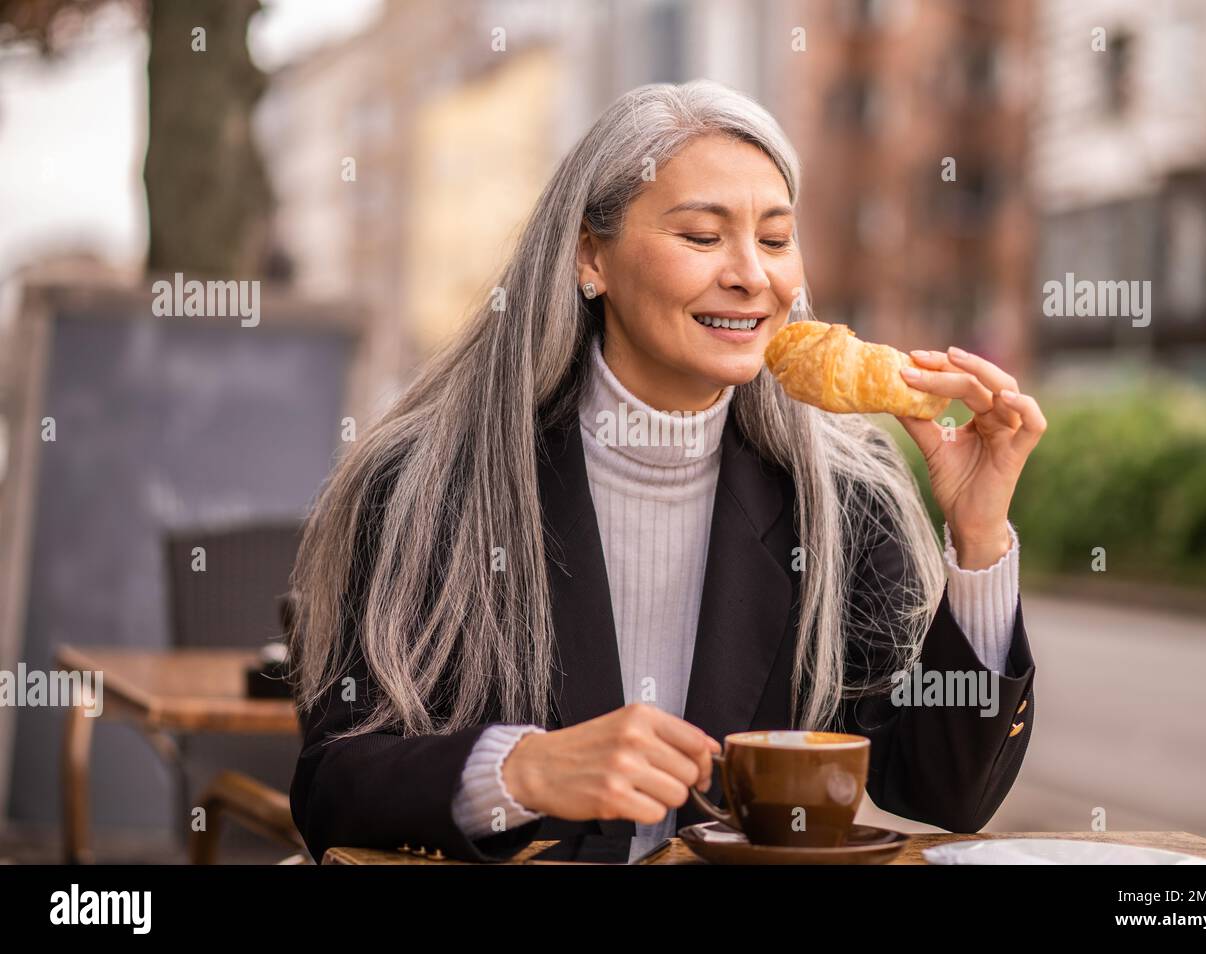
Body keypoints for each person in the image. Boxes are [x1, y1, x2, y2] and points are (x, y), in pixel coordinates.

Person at [287, 79, 1046, 864]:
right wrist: (520, 770)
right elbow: (332, 788)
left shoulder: (842, 496)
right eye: (703, 236)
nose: (753, 275)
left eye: (777, 239)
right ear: (591, 256)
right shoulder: (426, 480)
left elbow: (942, 790)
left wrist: (980, 536)